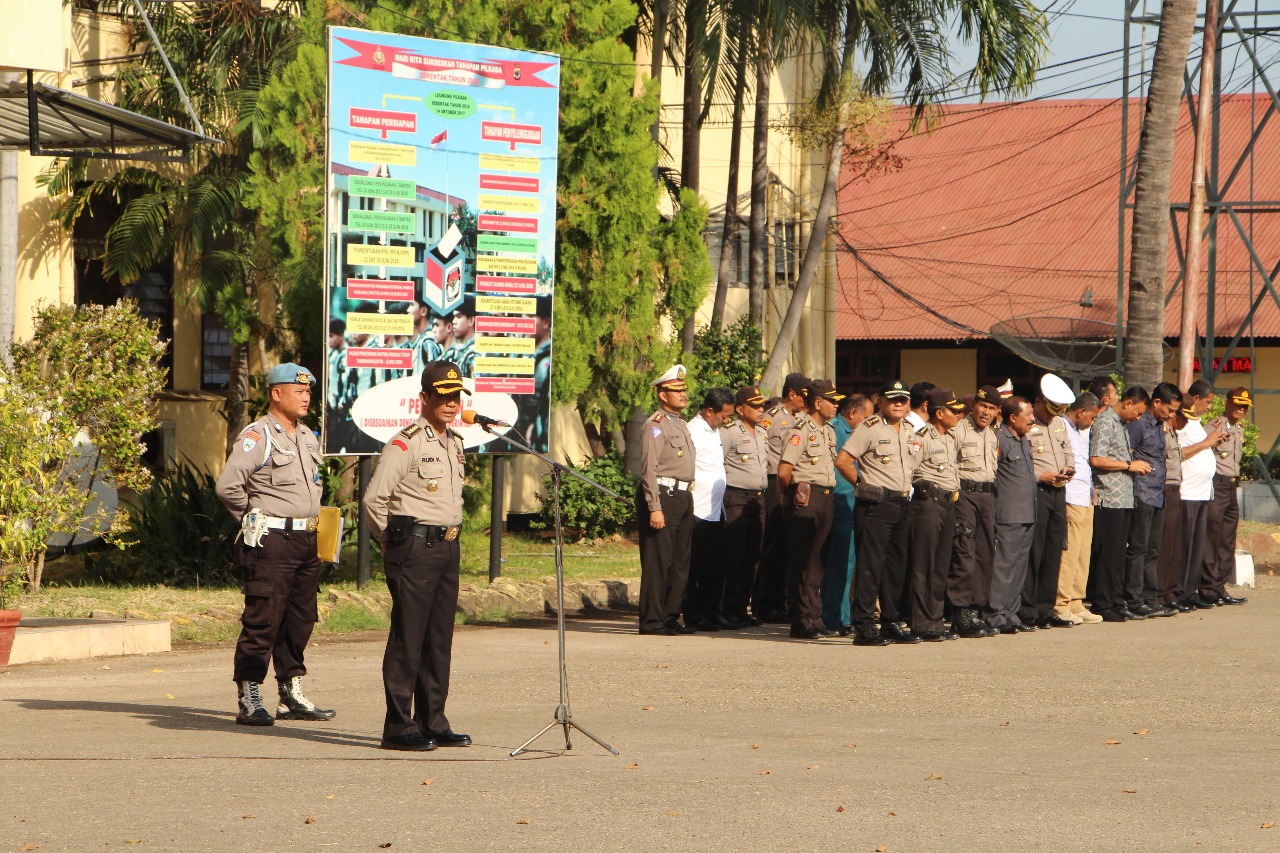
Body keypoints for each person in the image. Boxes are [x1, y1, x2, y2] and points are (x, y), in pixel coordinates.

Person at [362, 361, 472, 751]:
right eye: (442, 396)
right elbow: (374, 499)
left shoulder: (455, 443)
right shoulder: (405, 442)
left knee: (439, 638)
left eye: (455, 397)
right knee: (409, 637)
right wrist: (390, 542)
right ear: (423, 398)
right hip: (414, 547)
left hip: (447, 547)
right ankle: (398, 725)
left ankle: (432, 720)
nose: (450, 404)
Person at [216, 363, 333, 727]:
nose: (306, 397)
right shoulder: (258, 435)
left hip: (306, 540)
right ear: (276, 394)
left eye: (308, 391)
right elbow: (227, 486)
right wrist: (251, 515)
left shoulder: (307, 436)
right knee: (263, 619)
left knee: (300, 619)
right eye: (298, 391)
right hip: (271, 541)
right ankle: (249, 693)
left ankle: (290, 691)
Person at [837, 379, 920, 646]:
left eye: (904, 400)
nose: (899, 404)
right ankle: (863, 625)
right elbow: (843, 461)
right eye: (893, 399)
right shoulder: (869, 427)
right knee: (870, 566)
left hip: (902, 503)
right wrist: (862, 485)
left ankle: (891, 621)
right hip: (876, 504)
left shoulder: (909, 429)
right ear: (880, 402)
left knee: (896, 567)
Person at [778, 379, 843, 639]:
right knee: (802, 561)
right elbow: (784, 471)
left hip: (826, 497)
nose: (836, 405)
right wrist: (789, 495)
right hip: (806, 498)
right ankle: (801, 620)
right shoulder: (801, 428)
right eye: (832, 400)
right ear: (818, 403)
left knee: (818, 562)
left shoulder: (828, 430)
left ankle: (815, 618)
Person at [637, 364, 697, 635]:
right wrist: (654, 507)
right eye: (676, 390)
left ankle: (671, 616)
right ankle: (652, 620)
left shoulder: (681, 424)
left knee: (680, 561)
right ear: (663, 395)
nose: (683, 394)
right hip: (663, 494)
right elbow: (649, 469)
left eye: (684, 389)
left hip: (683, 495)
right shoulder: (656, 425)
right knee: (658, 561)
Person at [1088, 384, 1150, 622]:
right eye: (1138, 411)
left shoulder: (1122, 425)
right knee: (1107, 553)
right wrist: (1128, 465)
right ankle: (1103, 603)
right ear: (1127, 403)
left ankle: (1115, 600)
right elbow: (1097, 458)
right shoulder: (1105, 422)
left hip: (1123, 498)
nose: (1138, 417)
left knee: (1117, 554)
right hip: (1109, 498)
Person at [907, 388, 965, 641]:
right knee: (924, 565)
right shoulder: (922, 437)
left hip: (948, 503)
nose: (958, 414)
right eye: (954, 410)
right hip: (928, 502)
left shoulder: (949, 437)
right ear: (939, 413)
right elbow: (908, 467)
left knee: (941, 564)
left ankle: (935, 621)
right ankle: (921, 623)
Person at [1021, 376, 1077, 629]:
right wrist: (1038, 476)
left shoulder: (1059, 424)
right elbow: (1019, 463)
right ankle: (1028, 608)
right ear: (1038, 402)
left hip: (1058, 490)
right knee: (1035, 550)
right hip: (1037, 490)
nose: (1055, 414)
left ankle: (1046, 607)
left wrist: (1069, 468)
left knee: (1054, 550)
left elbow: (1068, 451)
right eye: (1052, 408)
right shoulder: (1027, 425)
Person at [753, 372, 809, 623]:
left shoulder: (801, 419)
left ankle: (782, 601)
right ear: (792, 394)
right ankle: (765, 604)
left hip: (794, 482)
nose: (806, 401)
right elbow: (760, 451)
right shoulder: (771, 418)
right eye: (803, 395)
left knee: (788, 546)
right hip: (775, 482)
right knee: (773, 544)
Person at [947, 385, 1002, 639]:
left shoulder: (992, 434)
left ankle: (975, 610)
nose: (986, 412)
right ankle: (960, 612)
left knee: (984, 554)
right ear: (974, 406)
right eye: (983, 406)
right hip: (964, 494)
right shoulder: (959, 430)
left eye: (991, 408)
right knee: (964, 553)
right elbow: (949, 464)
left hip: (986, 496)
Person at [1124, 382, 1181, 618]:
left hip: (1158, 495)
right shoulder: (1138, 425)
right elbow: (1126, 453)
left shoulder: (1160, 426)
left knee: (1153, 549)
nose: (1171, 415)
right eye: (1169, 409)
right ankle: (1134, 599)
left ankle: (1150, 596)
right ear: (1156, 402)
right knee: (1138, 548)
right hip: (1142, 494)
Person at [719, 386, 771, 628]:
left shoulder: (761, 432)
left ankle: (741, 608)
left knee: (753, 556)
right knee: (734, 555)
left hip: (757, 500)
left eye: (762, 406)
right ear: (740, 410)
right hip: (736, 497)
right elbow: (716, 463)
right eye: (755, 406)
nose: (761, 410)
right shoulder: (729, 432)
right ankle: (727, 609)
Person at [683, 388, 734, 631]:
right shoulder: (693, 430)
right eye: (723, 416)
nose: (726, 421)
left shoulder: (714, 431)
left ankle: (713, 612)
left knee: (715, 565)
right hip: (698, 508)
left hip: (716, 509)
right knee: (696, 567)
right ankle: (695, 615)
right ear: (709, 410)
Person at [822, 393, 873, 634]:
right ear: (853, 414)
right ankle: (834, 617)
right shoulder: (835, 429)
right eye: (867, 416)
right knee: (840, 563)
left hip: (851, 503)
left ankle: (842, 615)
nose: (870, 422)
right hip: (841, 501)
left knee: (848, 563)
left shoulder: (851, 430)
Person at [987, 396, 1038, 634]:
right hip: (1008, 513)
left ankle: (1011, 613)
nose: (1032, 418)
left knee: (1019, 567)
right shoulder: (1000, 439)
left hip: (1028, 512)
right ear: (1012, 417)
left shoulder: (1024, 440)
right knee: (1004, 566)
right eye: (1027, 414)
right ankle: (995, 613)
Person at [1175, 380, 1227, 610]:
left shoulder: (1196, 423)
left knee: (1197, 546)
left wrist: (1211, 442)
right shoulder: (1181, 423)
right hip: (1187, 492)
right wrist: (1207, 442)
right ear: (1196, 399)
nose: (1208, 407)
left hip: (1202, 492)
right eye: (1207, 402)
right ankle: (1177, 591)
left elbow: (1200, 446)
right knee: (1184, 546)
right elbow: (1180, 453)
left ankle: (1190, 591)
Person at [1202, 387, 1252, 606]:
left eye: (1245, 406)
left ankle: (1220, 586)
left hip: (1232, 487)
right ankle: (1207, 589)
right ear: (1227, 403)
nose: (1241, 409)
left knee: (1227, 540)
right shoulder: (1213, 427)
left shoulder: (1239, 429)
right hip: (1216, 484)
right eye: (1237, 404)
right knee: (1212, 538)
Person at [1056, 392, 1101, 623]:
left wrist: (1092, 488)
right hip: (1071, 496)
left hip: (1085, 496)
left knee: (1083, 553)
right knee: (1069, 553)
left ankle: (1076, 601)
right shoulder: (1061, 426)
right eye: (1092, 417)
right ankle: (1061, 603)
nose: (1092, 422)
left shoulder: (1078, 430)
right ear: (1081, 412)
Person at [1155, 397, 1186, 612]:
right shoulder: (1162, 430)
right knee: (1164, 544)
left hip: (1175, 488)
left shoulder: (1173, 432)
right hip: (1164, 488)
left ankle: (1169, 591)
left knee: (1174, 544)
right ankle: (1159, 592)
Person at [444, 296, 477, 376]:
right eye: (454, 317)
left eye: (458, 316)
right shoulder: (456, 351)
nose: (453, 321)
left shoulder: (474, 353)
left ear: (471, 320)